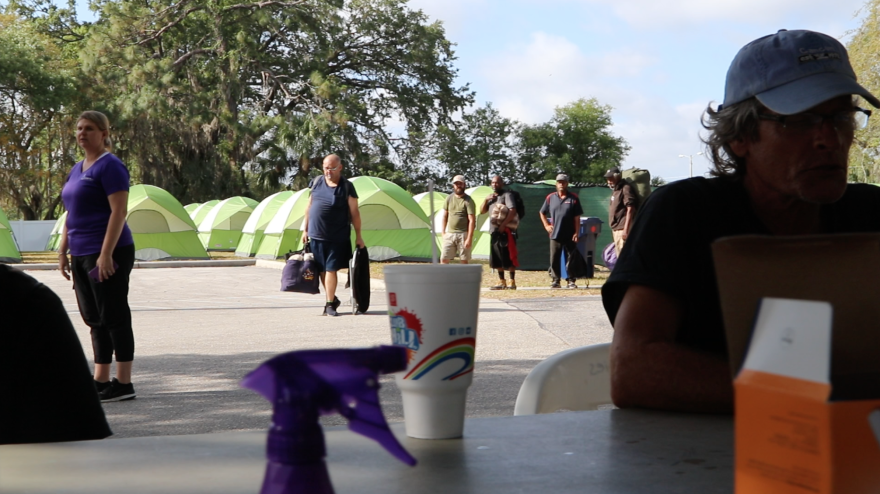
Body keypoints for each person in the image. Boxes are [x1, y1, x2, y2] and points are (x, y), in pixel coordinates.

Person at [602, 29, 880, 414]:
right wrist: (813, 401)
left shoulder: (871, 216)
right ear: (740, 137)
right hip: (691, 465)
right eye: (800, 119)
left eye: (842, 116)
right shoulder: (685, 214)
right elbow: (634, 370)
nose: (829, 139)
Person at [58, 110, 137, 403]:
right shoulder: (77, 168)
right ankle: (100, 380)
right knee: (94, 319)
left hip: (108, 250)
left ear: (104, 133)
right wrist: (63, 249)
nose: (82, 133)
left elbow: (119, 211)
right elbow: (71, 212)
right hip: (80, 251)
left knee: (114, 315)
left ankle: (123, 383)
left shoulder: (110, 166)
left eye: (89, 128)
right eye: (79, 128)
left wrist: (106, 254)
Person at [0, 265, 113, 444]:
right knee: (97, 320)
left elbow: (78, 429)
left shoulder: (26, 301)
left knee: (106, 320)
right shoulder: (27, 298)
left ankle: (115, 380)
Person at [301, 154, 364, 317]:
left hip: (338, 236)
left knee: (330, 269)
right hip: (316, 234)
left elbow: (355, 213)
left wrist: (359, 236)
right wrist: (305, 230)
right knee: (321, 269)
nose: (328, 171)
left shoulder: (347, 187)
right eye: (325, 167)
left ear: (340, 168)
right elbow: (309, 207)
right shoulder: (316, 182)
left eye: (332, 168)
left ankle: (329, 305)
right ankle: (332, 298)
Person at [539, 174, 583, 289]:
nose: (561, 184)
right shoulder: (550, 198)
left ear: (567, 183)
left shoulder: (573, 198)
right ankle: (556, 280)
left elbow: (577, 217)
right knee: (554, 258)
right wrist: (546, 225)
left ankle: (571, 280)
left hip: (570, 234)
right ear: (556, 184)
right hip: (555, 233)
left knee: (571, 258)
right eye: (559, 182)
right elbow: (542, 212)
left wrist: (576, 232)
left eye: (563, 182)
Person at [480, 175, 519, 289]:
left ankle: (512, 281)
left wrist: (503, 225)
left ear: (502, 183)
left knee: (509, 255)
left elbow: (512, 210)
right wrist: (486, 200)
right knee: (496, 257)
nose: (494, 185)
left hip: (506, 231)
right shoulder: (491, 197)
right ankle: (502, 281)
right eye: (492, 183)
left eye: (497, 183)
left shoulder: (507, 195)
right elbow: (482, 211)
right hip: (494, 231)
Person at [441, 175, 475, 265]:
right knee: (444, 259)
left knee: (464, 260)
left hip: (463, 234)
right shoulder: (448, 198)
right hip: (450, 234)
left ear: (464, 184)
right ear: (453, 185)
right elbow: (445, 216)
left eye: (460, 183)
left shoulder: (468, 200)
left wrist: (469, 238)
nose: (458, 185)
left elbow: (472, 220)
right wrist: (443, 232)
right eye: (456, 184)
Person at [604, 167, 636, 256]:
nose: (609, 181)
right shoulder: (616, 190)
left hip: (622, 228)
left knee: (624, 256)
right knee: (620, 256)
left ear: (617, 177)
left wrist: (626, 230)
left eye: (611, 178)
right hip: (616, 228)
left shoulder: (625, 188)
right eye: (607, 179)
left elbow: (630, 208)